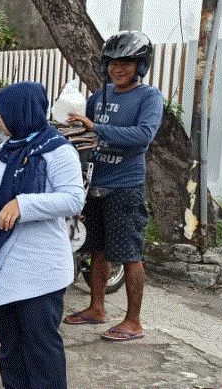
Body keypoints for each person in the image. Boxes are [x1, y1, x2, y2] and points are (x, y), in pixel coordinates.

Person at [0, 82, 84, 389]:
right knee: (10, 348)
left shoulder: (58, 151)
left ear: (21, 112)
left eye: (3, 113)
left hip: (40, 270)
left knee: (40, 348)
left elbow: (73, 199)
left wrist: (24, 204)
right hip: (7, 266)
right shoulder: (6, 149)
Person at [64, 31, 163, 342]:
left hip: (125, 187)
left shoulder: (148, 97)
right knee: (97, 250)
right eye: (112, 63)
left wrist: (97, 128)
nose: (117, 69)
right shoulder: (100, 95)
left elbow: (143, 136)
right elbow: (85, 131)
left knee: (130, 254)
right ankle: (97, 308)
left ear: (140, 66)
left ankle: (133, 322)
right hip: (95, 184)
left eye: (126, 63)